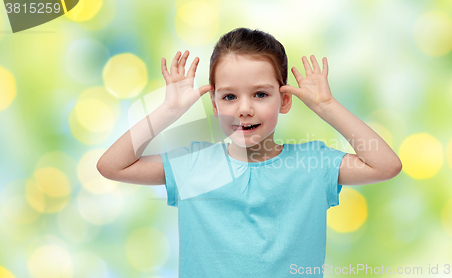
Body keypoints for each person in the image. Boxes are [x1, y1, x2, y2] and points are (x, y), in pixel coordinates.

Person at [97, 27, 402, 277]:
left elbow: (386, 165)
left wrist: (327, 107)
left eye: (260, 94)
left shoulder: (314, 164)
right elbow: (112, 166)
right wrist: (169, 110)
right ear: (214, 105)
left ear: (284, 100)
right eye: (229, 96)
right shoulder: (192, 165)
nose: (244, 109)